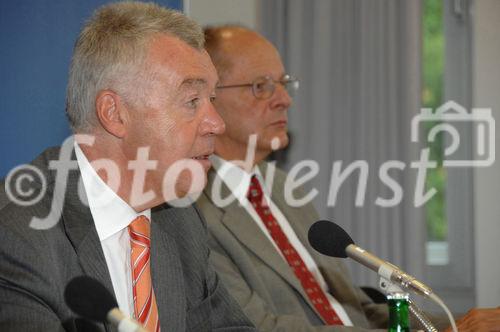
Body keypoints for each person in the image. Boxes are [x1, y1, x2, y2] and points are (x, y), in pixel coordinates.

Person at [196, 25, 500, 332]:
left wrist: (453, 324)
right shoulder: (192, 211)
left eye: (284, 83)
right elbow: (255, 326)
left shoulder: (283, 188)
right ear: (210, 97)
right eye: (262, 86)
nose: (285, 99)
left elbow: (353, 308)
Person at [0, 4, 255, 331]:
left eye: (212, 100)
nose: (217, 124)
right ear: (114, 113)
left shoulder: (180, 221)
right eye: (192, 100)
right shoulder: (15, 237)